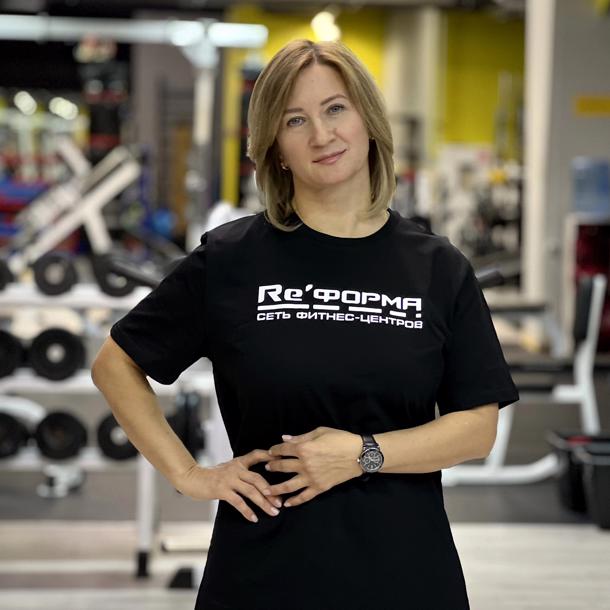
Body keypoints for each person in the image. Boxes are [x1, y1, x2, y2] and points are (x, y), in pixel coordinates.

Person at [92, 39, 520, 610]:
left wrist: (363, 453)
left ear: (368, 121)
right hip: (262, 576)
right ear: (275, 150)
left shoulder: (438, 268)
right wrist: (190, 475)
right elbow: (115, 364)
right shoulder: (232, 260)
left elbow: (477, 428)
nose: (322, 134)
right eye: (296, 120)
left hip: (403, 575)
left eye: (336, 108)